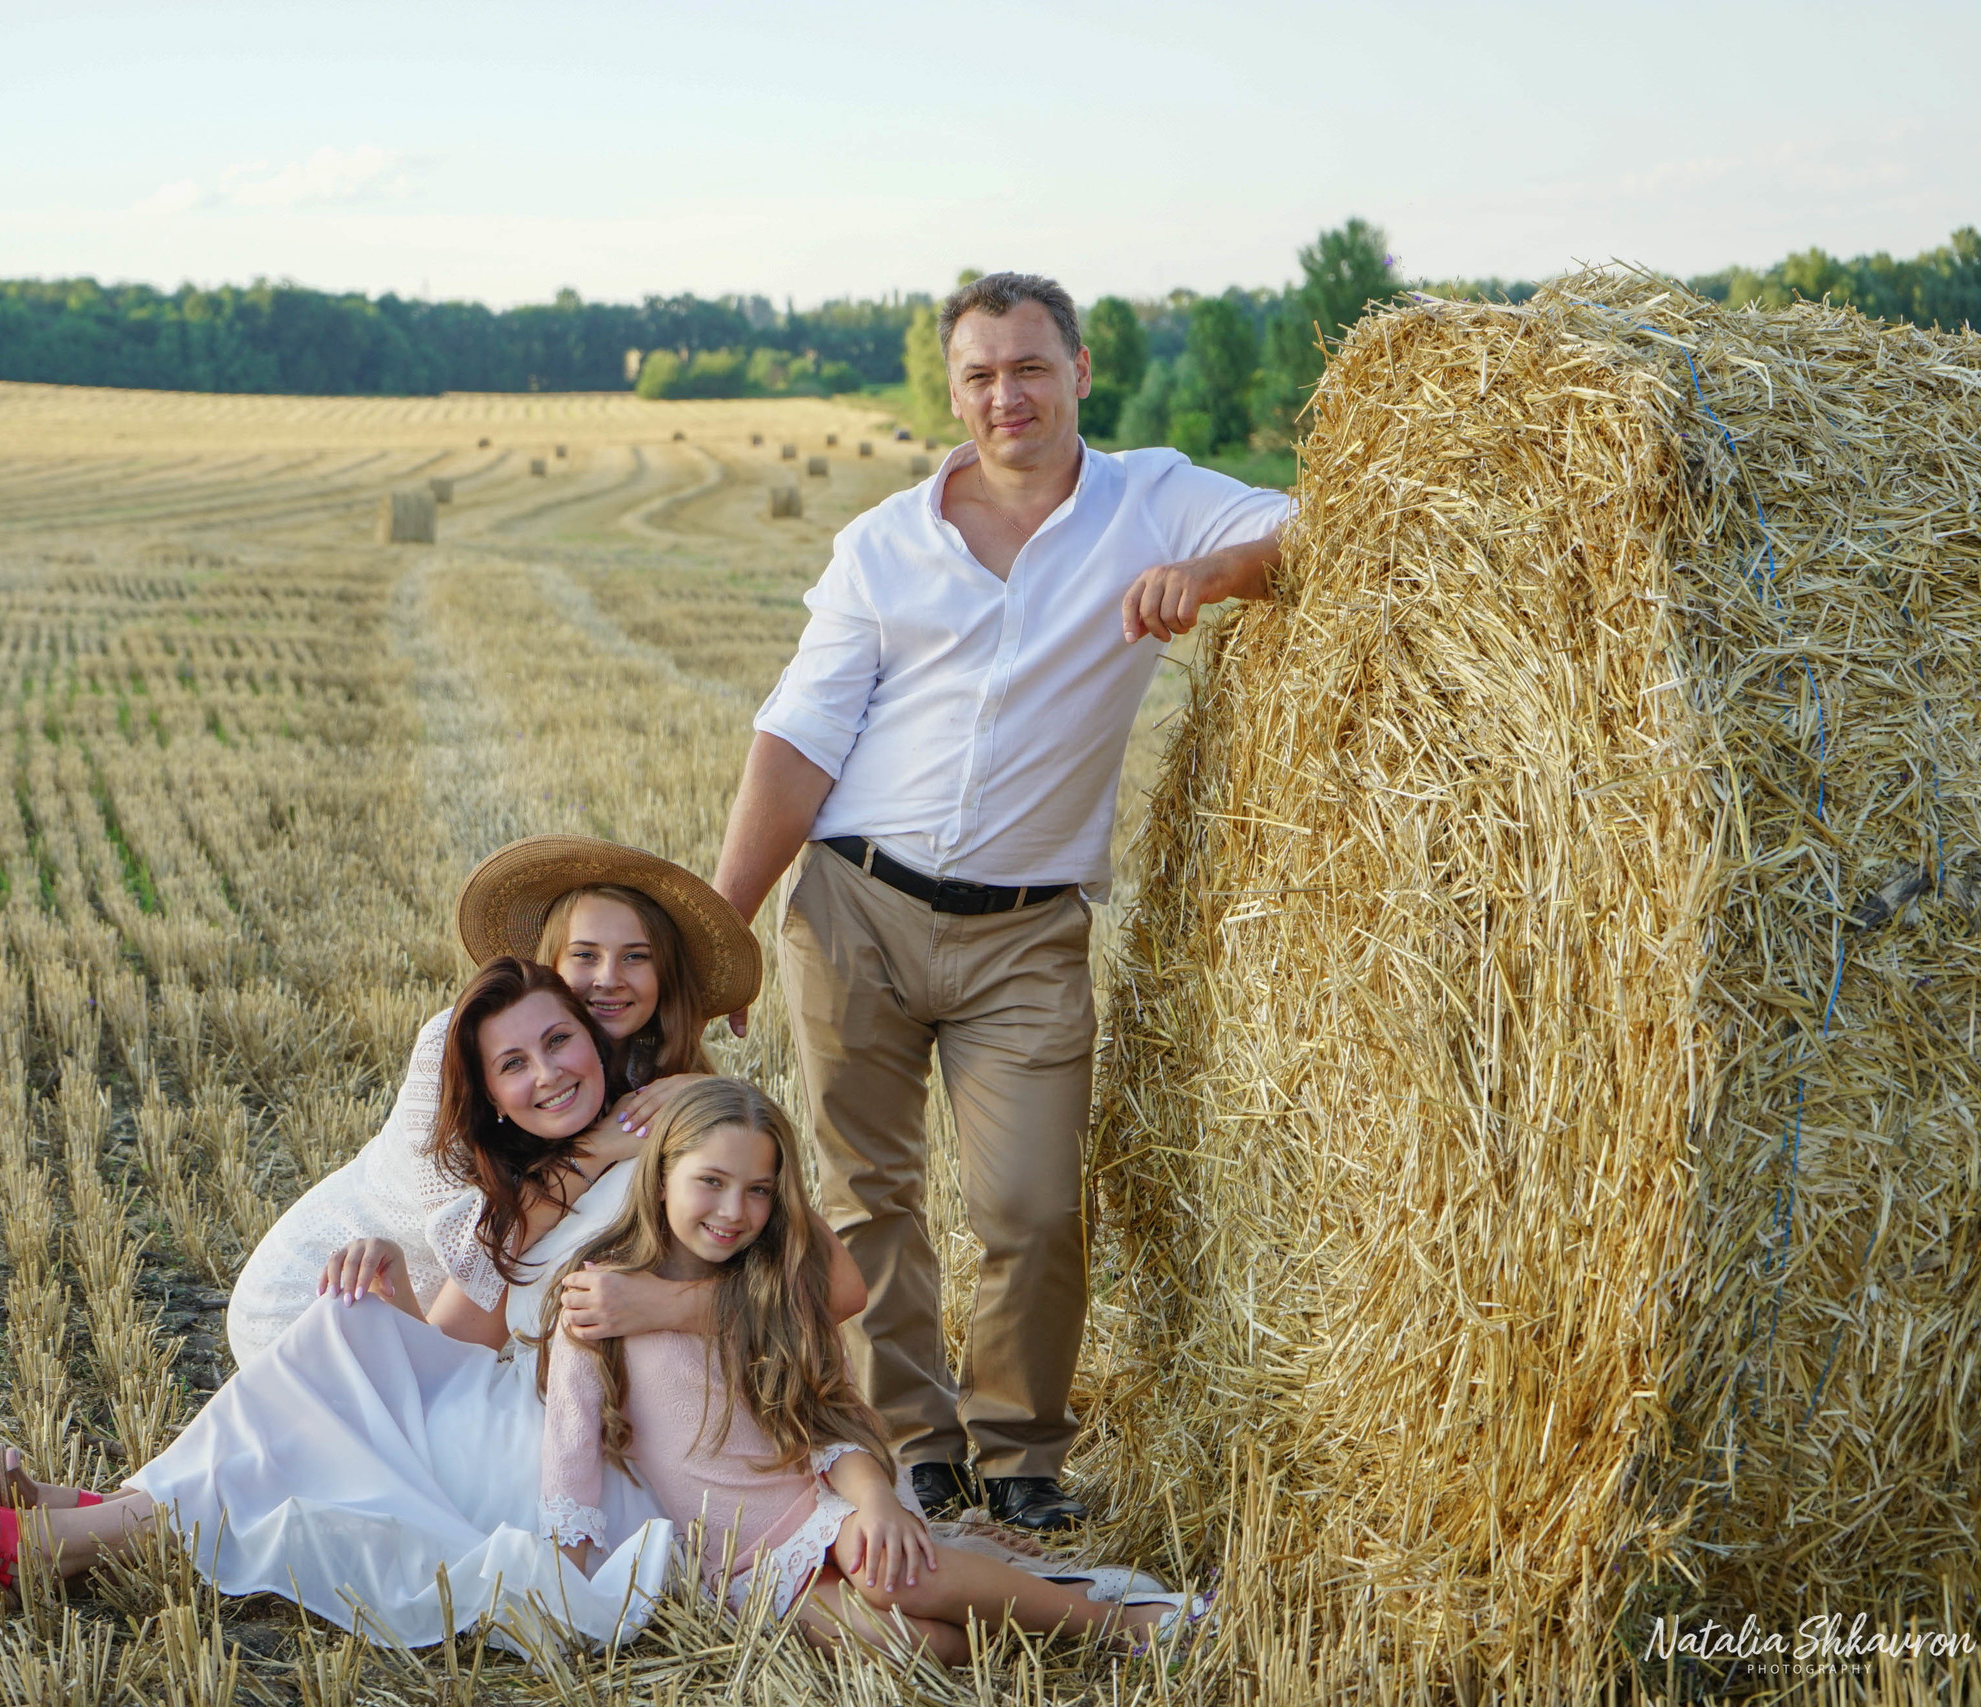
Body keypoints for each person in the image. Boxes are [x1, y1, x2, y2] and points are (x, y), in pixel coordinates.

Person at [711, 271, 1292, 1531]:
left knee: (1031, 1205)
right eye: (978, 374)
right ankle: (915, 1441)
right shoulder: (881, 544)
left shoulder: (1158, 497)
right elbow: (800, 737)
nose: (1004, 395)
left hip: (1029, 927)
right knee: (871, 1201)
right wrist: (719, 927)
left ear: (1079, 371)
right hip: (855, 906)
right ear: (953, 388)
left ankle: (1021, 1453)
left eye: (1028, 367)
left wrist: (1224, 570)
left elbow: (1324, 526)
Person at [0, 959, 868, 1650]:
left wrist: (653, 1304)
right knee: (349, 1335)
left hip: (609, 1446)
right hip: (517, 1411)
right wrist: (392, 1290)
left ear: (597, 1042)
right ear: (489, 1096)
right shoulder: (515, 1206)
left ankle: (76, 1530)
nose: (547, 1073)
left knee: (333, 1419)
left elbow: (837, 1289)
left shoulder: (686, 1135)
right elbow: (440, 1356)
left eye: (559, 1041)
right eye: (513, 1065)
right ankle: (107, 1520)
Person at [537, 1078, 1203, 1660]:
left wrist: (878, 1498)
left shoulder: (774, 1291)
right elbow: (570, 1458)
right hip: (740, 1567)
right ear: (659, 1176)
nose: (733, 1211)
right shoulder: (597, 1299)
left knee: (885, 1573)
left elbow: (830, 1421)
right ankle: (1044, 1594)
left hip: (825, 1504)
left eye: (758, 1190)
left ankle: (1118, 1624)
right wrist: (565, 1594)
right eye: (710, 1181)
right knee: (914, 1646)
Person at [222, 834, 758, 1365]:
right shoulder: (454, 1047)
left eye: (636, 956)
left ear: (664, 974)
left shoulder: (646, 1074)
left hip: (453, 1339)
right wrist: (594, 1150)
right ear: (549, 960)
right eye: (585, 955)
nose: (608, 979)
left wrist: (707, 1095)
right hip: (334, 1295)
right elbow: (483, 1247)